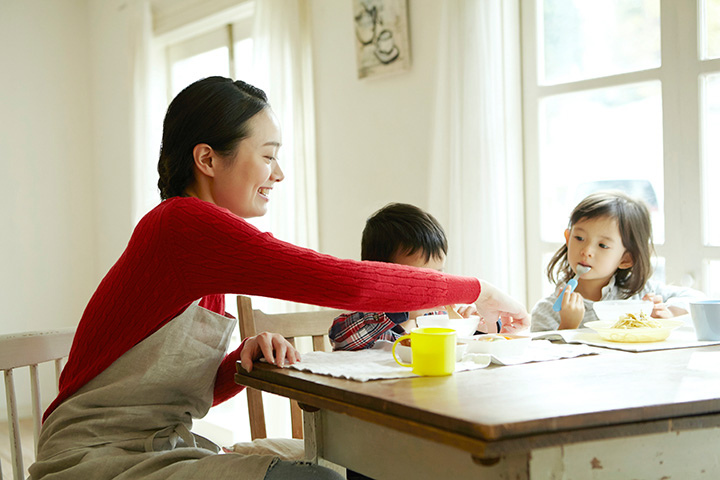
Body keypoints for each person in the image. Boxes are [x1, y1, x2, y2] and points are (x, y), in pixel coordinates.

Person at [29, 76, 529, 480]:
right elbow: (347, 284)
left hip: (157, 445)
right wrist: (478, 290)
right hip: (93, 459)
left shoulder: (198, 247)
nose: (279, 173)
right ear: (207, 159)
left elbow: (168, 391)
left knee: (347, 462)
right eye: (267, 155)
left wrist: (234, 365)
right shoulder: (181, 224)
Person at [329, 203, 506, 351]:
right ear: (379, 276)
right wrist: (400, 310)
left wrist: (479, 327)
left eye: (438, 275)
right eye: (418, 279)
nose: (431, 288)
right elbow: (340, 336)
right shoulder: (369, 317)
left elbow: (464, 347)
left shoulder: (437, 315)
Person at [531, 191, 704, 331]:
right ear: (568, 239)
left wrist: (668, 313)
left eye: (602, 245)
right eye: (579, 238)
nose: (586, 251)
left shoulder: (639, 294)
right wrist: (568, 327)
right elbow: (546, 365)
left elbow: (697, 299)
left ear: (626, 259)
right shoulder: (547, 311)